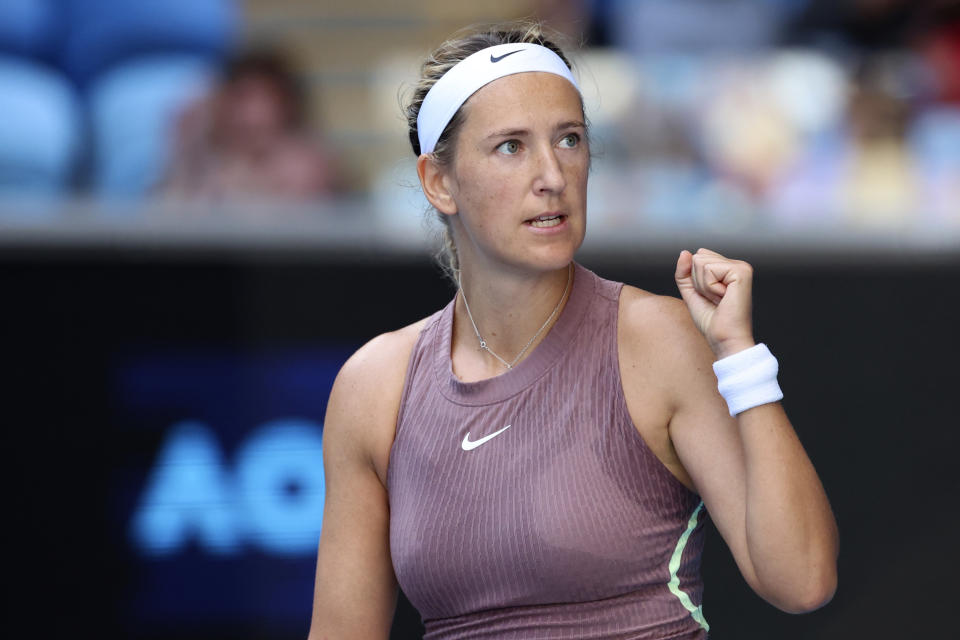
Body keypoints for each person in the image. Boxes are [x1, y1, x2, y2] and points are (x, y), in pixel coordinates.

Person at [308, 22, 838, 639]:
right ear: (439, 182)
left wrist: (740, 358)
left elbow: (802, 580)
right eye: (511, 146)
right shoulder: (374, 387)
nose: (553, 175)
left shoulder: (657, 340)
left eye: (569, 139)